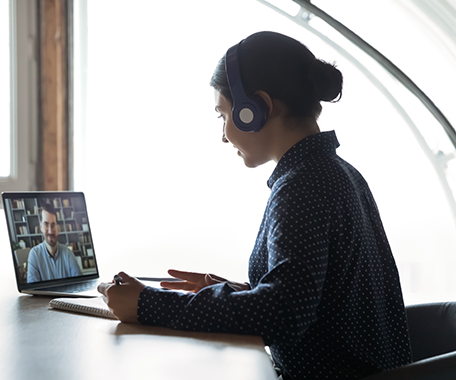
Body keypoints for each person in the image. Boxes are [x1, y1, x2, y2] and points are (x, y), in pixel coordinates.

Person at [97, 31, 412, 379]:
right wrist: (234, 295)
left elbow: (282, 316)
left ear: (254, 109)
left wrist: (147, 304)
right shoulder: (338, 173)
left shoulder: (302, 186)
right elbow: (317, 298)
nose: (223, 134)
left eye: (223, 115)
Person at [27, 202, 82, 283]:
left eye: (53, 225)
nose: (50, 231)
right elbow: (33, 290)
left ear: (58, 228)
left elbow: (80, 284)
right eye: (46, 224)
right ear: (41, 227)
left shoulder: (68, 253)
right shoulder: (34, 254)